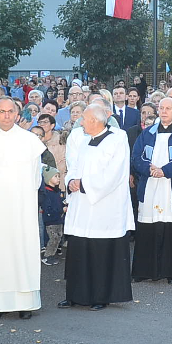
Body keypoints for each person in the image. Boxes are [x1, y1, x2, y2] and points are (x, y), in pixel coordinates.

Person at [0, 96, 46, 320]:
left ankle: (26, 303)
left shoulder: (29, 141)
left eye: (10, 111)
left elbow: (36, 177)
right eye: (1, 111)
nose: (6, 115)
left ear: (17, 114)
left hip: (22, 207)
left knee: (22, 251)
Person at [59, 104, 134, 310]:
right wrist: (72, 180)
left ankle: (100, 295)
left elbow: (114, 173)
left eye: (83, 119)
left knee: (100, 252)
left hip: (104, 207)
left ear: (94, 120)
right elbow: (74, 165)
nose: (80, 122)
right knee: (79, 250)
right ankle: (76, 294)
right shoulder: (85, 140)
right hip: (81, 206)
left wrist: (84, 184)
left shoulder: (117, 139)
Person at [130, 97, 172, 283]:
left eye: (169, 108)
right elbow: (136, 156)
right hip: (150, 184)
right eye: (161, 108)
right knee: (148, 228)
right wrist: (150, 169)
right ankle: (146, 271)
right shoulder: (148, 133)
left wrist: (164, 171)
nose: (164, 111)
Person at [39, 167, 66, 266]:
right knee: (53, 238)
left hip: (58, 219)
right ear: (48, 178)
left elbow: (59, 203)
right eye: (55, 176)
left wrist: (64, 206)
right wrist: (60, 210)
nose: (58, 178)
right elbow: (48, 208)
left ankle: (52, 254)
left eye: (59, 176)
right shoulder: (47, 193)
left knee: (58, 237)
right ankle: (47, 256)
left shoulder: (57, 191)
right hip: (51, 220)